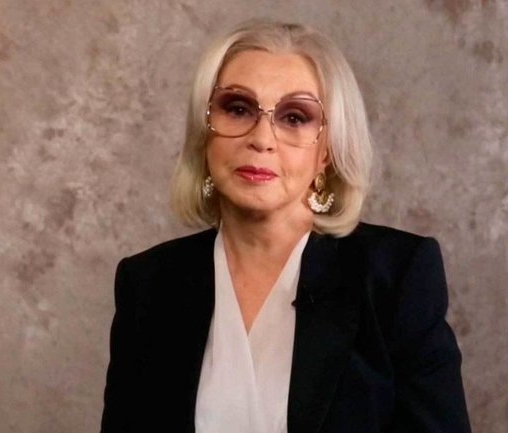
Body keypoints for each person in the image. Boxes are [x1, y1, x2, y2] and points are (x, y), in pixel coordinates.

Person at [100, 19, 471, 433]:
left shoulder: (396, 276)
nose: (262, 139)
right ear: (205, 133)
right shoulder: (148, 283)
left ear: (327, 151)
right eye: (238, 109)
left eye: (294, 117)